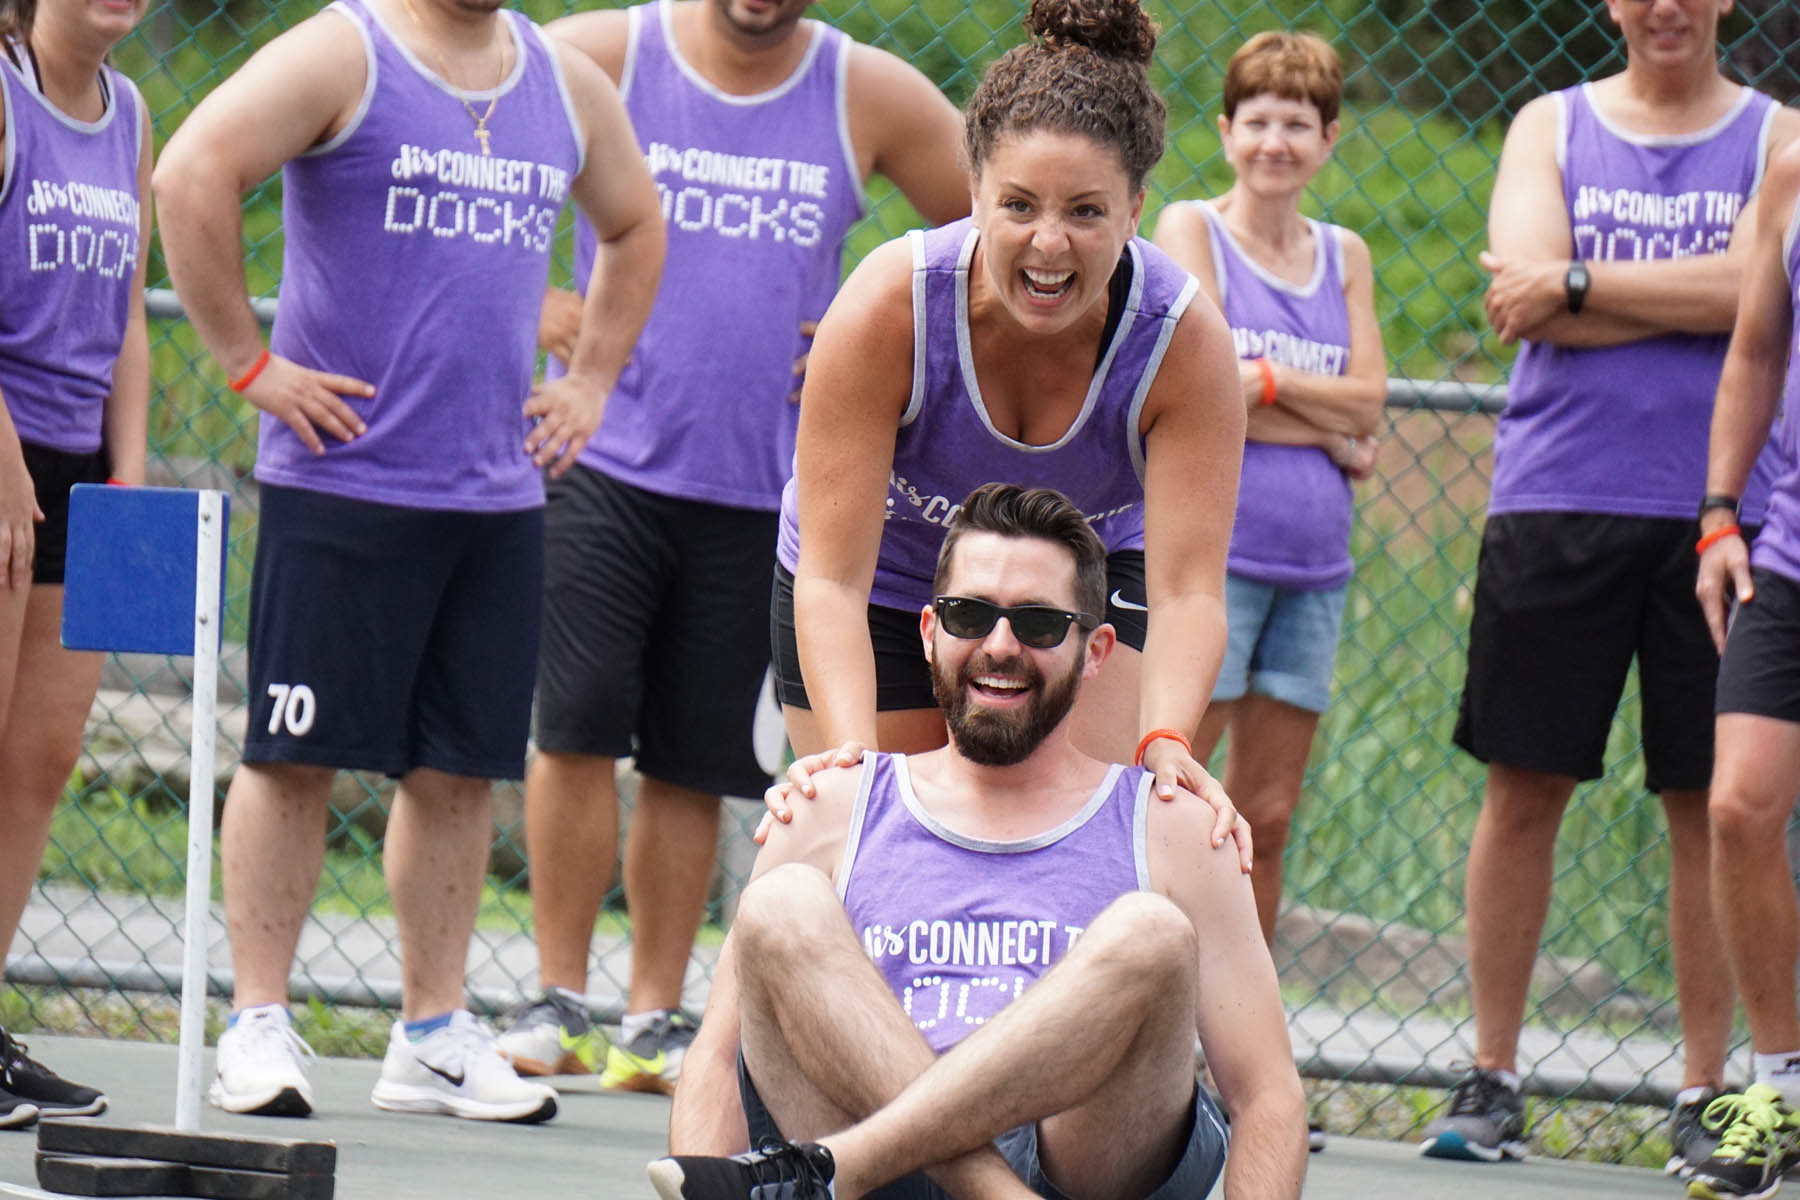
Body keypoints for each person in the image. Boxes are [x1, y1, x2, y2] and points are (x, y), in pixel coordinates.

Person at [152, 0, 663, 1122]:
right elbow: (191, 172)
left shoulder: (560, 79)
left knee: (459, 769)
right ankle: (258, 1021)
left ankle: (431, 1032)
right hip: (341, 479)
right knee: (293, 756)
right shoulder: (349, 50)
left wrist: (591, 382)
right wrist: (247, 364)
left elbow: (633, 223)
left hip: (492, 490)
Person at [494, 0, 967, 1094]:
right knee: (572, 728)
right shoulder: (601, 52)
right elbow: (474, 155)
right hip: (601, 461)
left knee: (693, 759)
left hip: (766, 483)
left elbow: (978, 231)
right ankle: (559, 998)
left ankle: (653, 1019)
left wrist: (873, 321)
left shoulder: (866, 91)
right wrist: (539, 298)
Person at [648, 482, 1306, 1200]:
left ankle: (845, 1166)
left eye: (1039, 624)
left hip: (1078, 1168)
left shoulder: (1173, 825)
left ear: (1096, 651)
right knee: (779, 906)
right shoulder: (828, 806)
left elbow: (1267, 1095)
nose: (1000, 646)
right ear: (929, 632)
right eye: (970, 615)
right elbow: (713, 1060)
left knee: (1151, 932)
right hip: (886, 1182)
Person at [1424, 0, 1800, 1166]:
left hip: (1725, 514)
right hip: (1558, 492)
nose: (1667, 7)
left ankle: (1706, 1091)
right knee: (1524, 787)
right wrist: (1684, 286)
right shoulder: (1552, 123)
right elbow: (1515, 294)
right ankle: (1490, 1074)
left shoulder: (1778, 139)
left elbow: (1759, 300)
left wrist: (1579, 286)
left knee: (1706, 802)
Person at [767, 0, 1253, 863]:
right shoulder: (893, 307)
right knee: (878, 850)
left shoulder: (1181, 339)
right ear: (975, 191)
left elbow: (1188, 594)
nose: (1049, 244)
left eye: (1087, 212)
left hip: (1077, 587)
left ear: (1137, 209)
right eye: (1020, 204)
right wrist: (849, 766)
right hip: (885, 580)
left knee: (1075, 843)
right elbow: (833, 581)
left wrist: (1167, 741)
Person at [1151, 31, 1383, 945]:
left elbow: (1370, 399)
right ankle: (1122, 1013)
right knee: (1171, 797)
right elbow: (1207, 392)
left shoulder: (1347, 254)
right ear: (1225, 130)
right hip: (1212, 567)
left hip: (1313, 570)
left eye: (1299, 122)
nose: (1275, 142)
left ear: (1329, 139)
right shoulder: (1191, 230)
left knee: (1267, 815)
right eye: (1257, 121)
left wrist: (1274, 387)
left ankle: (1235, 1037)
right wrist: (1327, 425)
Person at [0, 0, 152, 1130]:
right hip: (0, 452)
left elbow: (128, 317)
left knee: (40, 761)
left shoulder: (131, 111)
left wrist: (126, 479)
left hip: (81, 463)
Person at [1686, 138, 1800, 1200]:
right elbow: (1759, 349)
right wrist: (1722, 512)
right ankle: (1780, 1087)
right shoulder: (1793, 167)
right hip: (1792, 559)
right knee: (1738, 808)